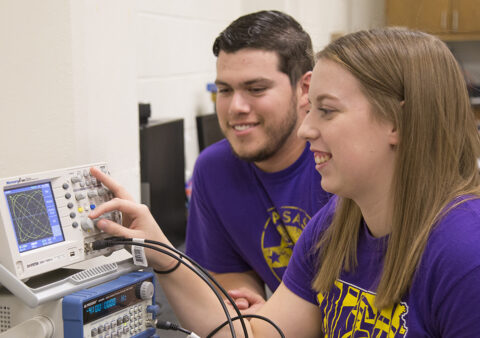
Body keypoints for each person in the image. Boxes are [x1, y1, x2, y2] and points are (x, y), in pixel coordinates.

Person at [90, 27, 480, 336]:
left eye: (326, 111)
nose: (307, 129)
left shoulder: (465, 254)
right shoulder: (335, 225)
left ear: (398, 122)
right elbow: (251, 334)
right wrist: (160, 250)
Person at [185, 10, 332, 313]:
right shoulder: (214, 170)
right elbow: (228, 272)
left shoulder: (341, 162)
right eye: (224, 90)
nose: (235, 107)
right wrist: (248, 304)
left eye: (256, 89)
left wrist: (273, 317)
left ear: (305, 89)